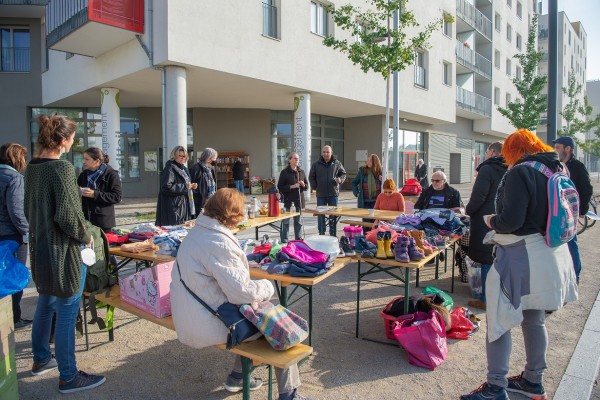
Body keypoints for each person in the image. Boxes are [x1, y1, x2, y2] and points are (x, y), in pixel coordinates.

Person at [461, 129, 578, 400]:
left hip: (520, 254)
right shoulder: (556, 168)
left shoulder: (520, 172)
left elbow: (511, 221)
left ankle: (495, 386)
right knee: (534, 320)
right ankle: (533, 380)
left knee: (499, 321)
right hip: (553, 252)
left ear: (513, 151)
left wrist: (491, 221)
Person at [170, 188, 314, 400]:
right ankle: (289, 394)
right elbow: (241, 293)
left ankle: (237, 377)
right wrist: (268, 286)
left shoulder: (198, 232)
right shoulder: (217, 242)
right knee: (279, 328)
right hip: (208, 321)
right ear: (231, 215)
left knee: (256, 318)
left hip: (191, 313)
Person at [24, 114, 106, 393]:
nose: (73, 143)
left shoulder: (32, 168)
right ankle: (68, 376)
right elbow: (70, 218)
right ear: (62, 140)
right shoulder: (61, 169)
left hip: (41, 250)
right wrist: (86, 237)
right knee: (67, 312)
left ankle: (40, 359)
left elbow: (29, 210)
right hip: (64, 254)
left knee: (45, 304)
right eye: (72, 138)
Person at [465, 142, 507, 310]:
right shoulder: (509, 168)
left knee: (485, 258)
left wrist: (469, 210)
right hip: (501, 218)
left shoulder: (488, 169)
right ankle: (494, 295)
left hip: (484, 218)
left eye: (487, 151)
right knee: (496, 257)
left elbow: (478, 196)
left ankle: (485, 298)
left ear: (492, 151)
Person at [552, 136, 593, 283]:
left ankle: (575, 275)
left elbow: (587, 189)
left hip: (571, 212)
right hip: (560, 211)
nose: (555, 150)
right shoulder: (559, 165)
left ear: (567, 149)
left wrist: (582, 210)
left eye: (558, 147)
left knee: (571, 242)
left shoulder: (577, 166)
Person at [0, 143, 31, 329]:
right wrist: (27, 232)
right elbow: (17, 212)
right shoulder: (14, 178)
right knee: (14, 277)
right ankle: (14, 318)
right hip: (12, 236)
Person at [77, 147, 122, 232]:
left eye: (87, 159)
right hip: (86, 222)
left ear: (97, 161)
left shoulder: (111, 174)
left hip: (104, 223)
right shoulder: (83, 175)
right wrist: (79, 191)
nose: (83, 162)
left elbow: (117, 197)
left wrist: (94, 194)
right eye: (83, 159)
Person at [308, 145, 347, 236]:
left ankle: (333, 235)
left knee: (333, 215)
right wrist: (315, 186)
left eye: (328, 152)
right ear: (322, 153)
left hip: (333, 194)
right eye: (324, 152)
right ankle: (321, 234)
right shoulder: (316, 164)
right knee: (321, 216)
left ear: (331, 153)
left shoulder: (337, 163)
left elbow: (343, 174)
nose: (326, 154)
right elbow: (311, 177)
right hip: (321, 194)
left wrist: (340, 180)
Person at [155, 146, 197, 226]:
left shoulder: (184, 169)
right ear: (174, 156)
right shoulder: (170, 168)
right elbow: (166, 187)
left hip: (184, 203)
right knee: (175, 230)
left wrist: (192, 187)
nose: (182, 158)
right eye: (179, 156)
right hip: (174, 206)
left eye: (184, 156)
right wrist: (185, 186)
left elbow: (186, 186)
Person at [277, 152, 307, 242]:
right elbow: (280, 187)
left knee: (298, 222)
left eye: (298, 158)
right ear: (289, 160)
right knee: (285, 222)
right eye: (295, 158)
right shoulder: (284, 172)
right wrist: (292, 186)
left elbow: (307, 187)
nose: (297, 160)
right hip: (287, 202)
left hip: (298, 201)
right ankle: (284, 241)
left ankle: (298, 240)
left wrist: (303, 184)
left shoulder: (301, 172)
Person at [352, 154, 382, 229]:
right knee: (365, 224)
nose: (368, 162)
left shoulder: (381, 172)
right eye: (367, 160)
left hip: (376, 202)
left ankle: (373, 239)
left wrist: (383, 180)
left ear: (375, 162)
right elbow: (354, 182)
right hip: (364, 202)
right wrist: (357, 193)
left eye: (370, 160)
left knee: (375, 224)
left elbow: (387, 186)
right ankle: (365, 239)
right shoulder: (362, 171)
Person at [190, 147, 218, 213]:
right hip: (199, 204)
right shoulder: (195, 169)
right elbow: (190, 187)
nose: (215, 160)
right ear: (208, 158)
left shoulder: (210, 170)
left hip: (210, 202)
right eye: (214, 158)